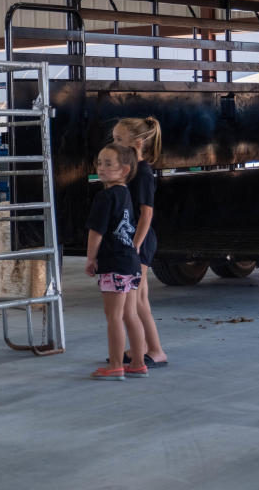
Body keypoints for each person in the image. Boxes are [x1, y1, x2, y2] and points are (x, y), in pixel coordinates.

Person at [86, 144, 148, 381]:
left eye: (108, 164)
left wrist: (91, 259)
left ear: (124, 170)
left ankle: (115, 365)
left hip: (113, 264)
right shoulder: (125, 194)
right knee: (130, 315)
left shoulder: (104, 197)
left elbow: (96, 232)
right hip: (131, 262)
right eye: (99, 163)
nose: (101, 168)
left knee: (114, 317)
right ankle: (139, 363)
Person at [113, 117, 169, 368]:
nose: (113, 144)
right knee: (140, 297)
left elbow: (147, 213)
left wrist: (135, 245)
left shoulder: (143, 173)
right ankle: (142, 346)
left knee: (135, 300)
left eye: (118, 140)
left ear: (136, 144)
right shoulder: (132, 171)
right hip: (134, 239)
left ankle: (156, 350)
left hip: (140, 241)